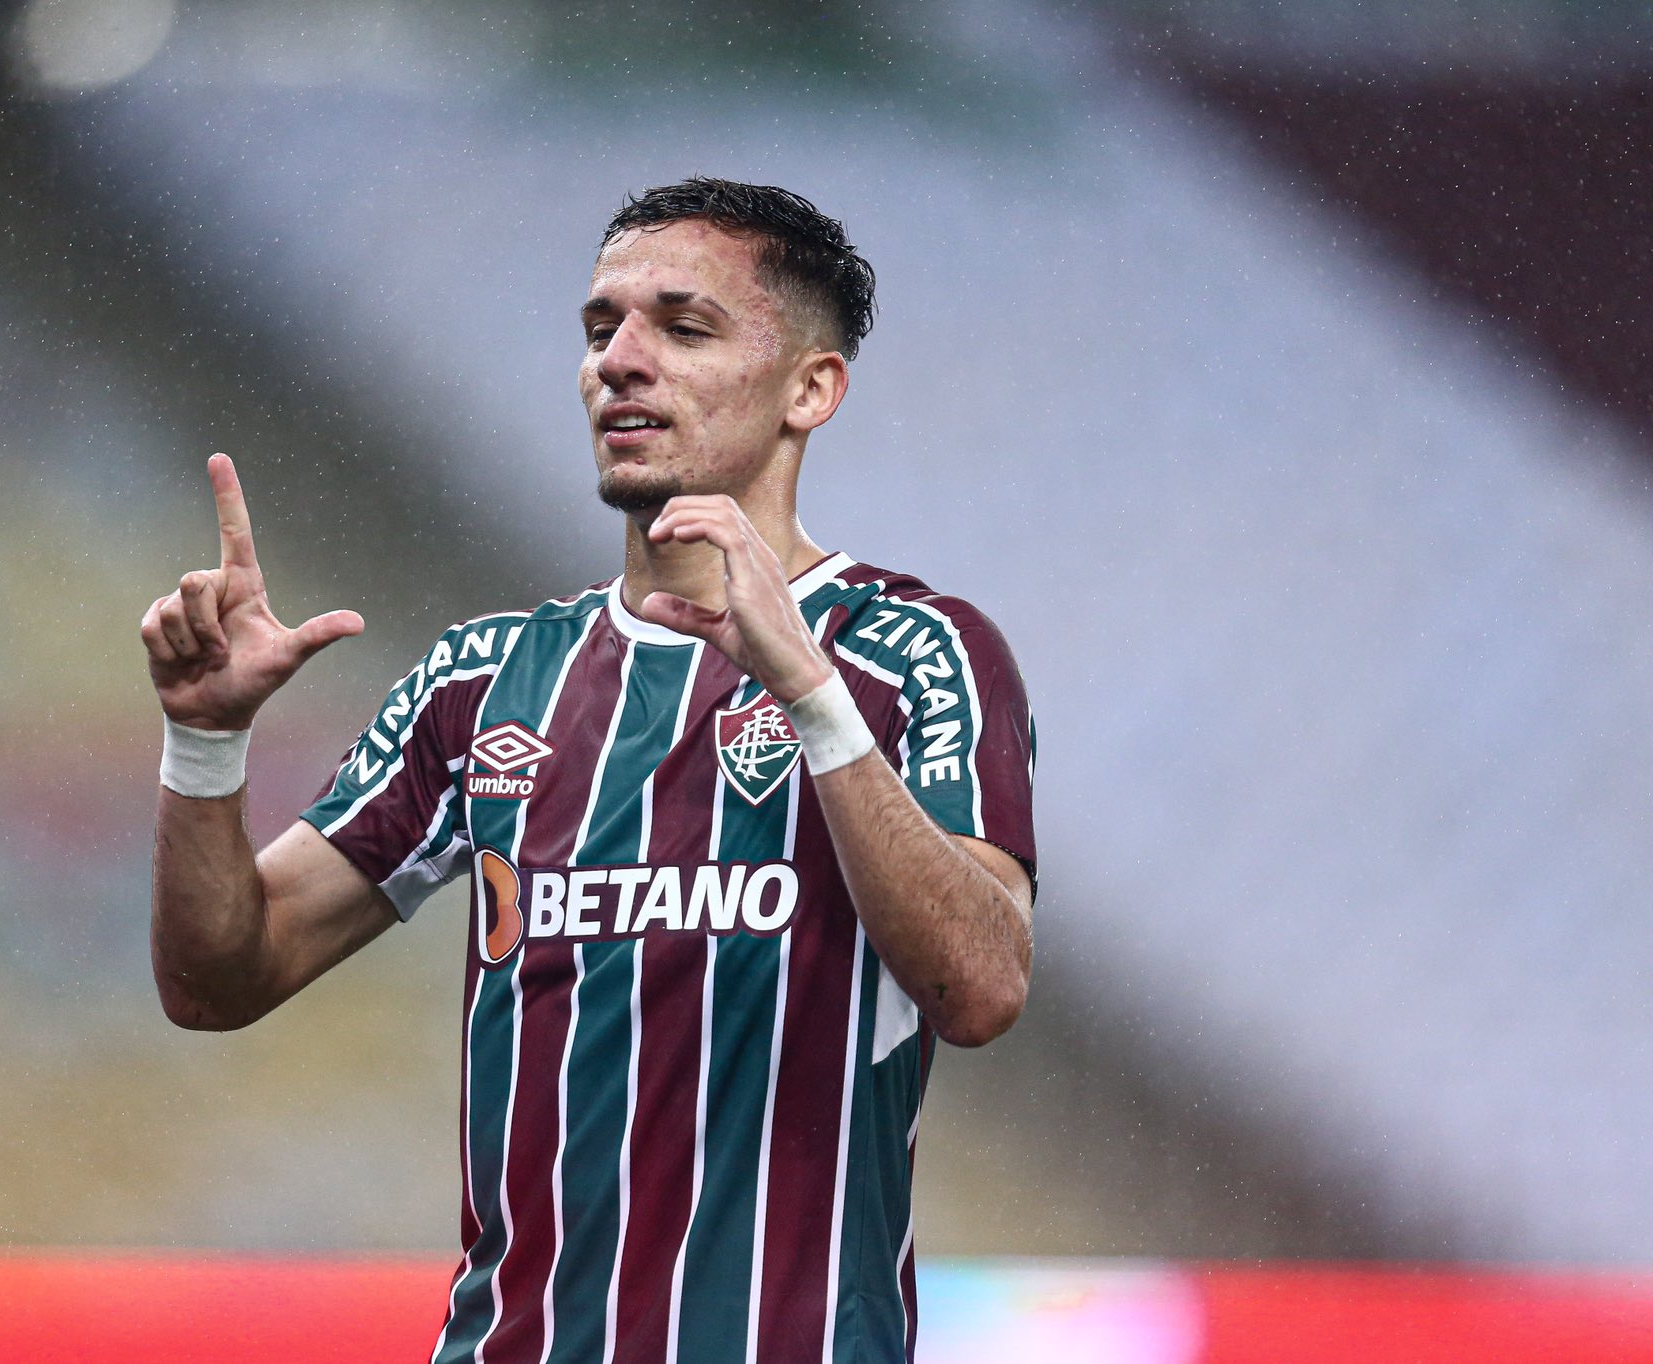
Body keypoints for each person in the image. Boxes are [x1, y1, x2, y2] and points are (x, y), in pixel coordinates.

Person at [141, 178, 1036, 1364]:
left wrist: (812, 699)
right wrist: (204, 742)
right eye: (597, 327)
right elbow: (219, 978)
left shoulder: (912, 649)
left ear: (809, 389)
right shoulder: (489, 677)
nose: (619, 359)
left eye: (682, 326)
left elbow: (980, 986)